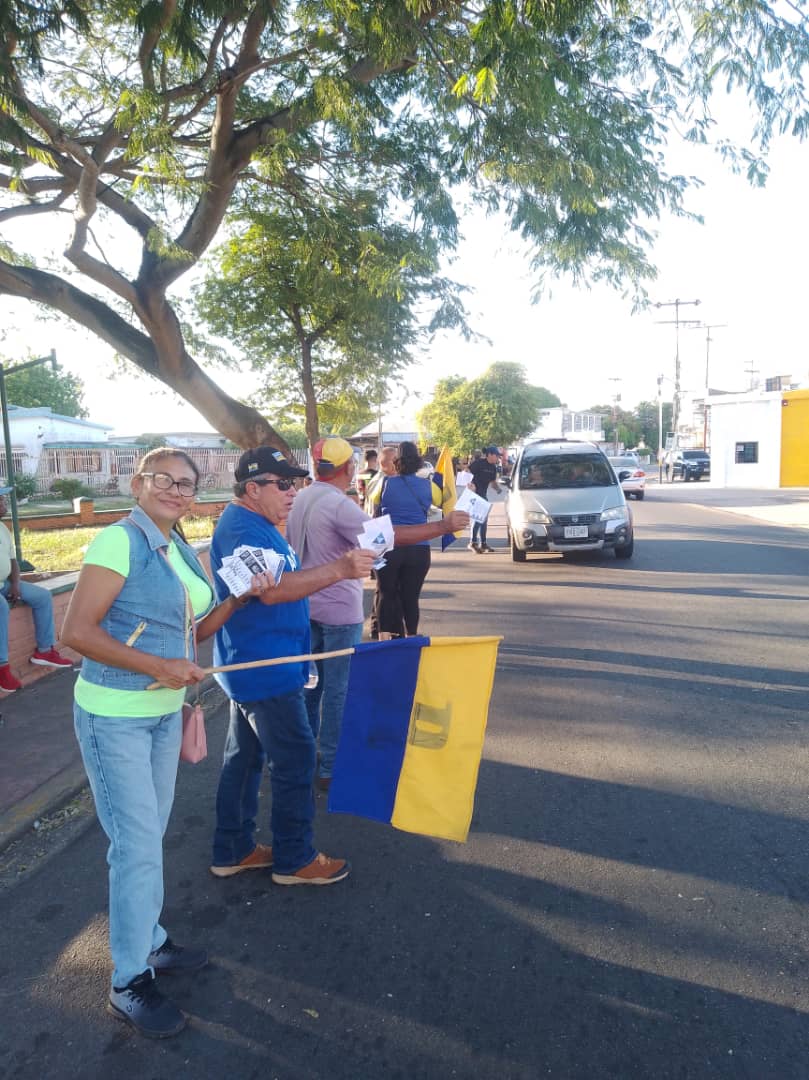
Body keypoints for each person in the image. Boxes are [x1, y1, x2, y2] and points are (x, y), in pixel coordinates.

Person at [60, 448, 275, 1039]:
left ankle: (150, 941)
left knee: (147, 838)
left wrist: (237, 598)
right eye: (165, 480)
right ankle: (127, 980)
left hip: (161, 714)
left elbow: (195, 629)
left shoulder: (179, 546)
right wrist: (160, 663)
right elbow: (74, 632)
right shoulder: (118, 542)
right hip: (115, 716)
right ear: (137, 483)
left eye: (187, 484)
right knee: (135, 847)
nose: (176, 491)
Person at [209, 445, 377, 888]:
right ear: (252, 488)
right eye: (282, 484)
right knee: (297, 759)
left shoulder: (255, 524)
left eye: (296, 482)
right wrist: (340, 568)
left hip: (261, 663)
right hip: (265, 667)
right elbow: (272, 591)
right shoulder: (242, 527)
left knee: (245, 759)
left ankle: (234, 848)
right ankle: (294, 857)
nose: (293, 491)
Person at [286, 436, 469, 791]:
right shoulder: (338, 505)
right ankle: (330, 766)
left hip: (304, 604)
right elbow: (388, 536)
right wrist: (443, 527)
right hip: (338, 609)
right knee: (338, 689)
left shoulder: (303, 495)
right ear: (348, 468)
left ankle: (302, 758)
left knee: (309, 686)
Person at [0, 485, 74, 692]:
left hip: (4, 584)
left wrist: (15, 584)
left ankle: (44, 651)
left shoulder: (3, 529)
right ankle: (2, 667)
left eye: (4, 500)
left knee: (42, 596)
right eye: (0, 501)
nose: (4, 504)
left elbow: (13, 561)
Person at [375, 441, 441, 639]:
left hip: (388, 546)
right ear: (419, 462)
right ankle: (411, 637)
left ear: (397, 461)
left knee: (386, 594)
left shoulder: (385, 483)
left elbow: (373, 503)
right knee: (411, 598)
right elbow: (443, 501)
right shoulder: (429, 486)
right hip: (419, 549)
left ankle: (384, 640)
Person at [468, 446, 501, 553]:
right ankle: (473, 543)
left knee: (484, 520)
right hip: (475, 494)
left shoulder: (493, 468)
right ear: (490, 454)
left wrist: (498, 489)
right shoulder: (479, 463)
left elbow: (492, 482)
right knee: (479, 518)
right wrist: (470, 484)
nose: (498, 458)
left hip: (483, 494)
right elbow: (467, 472)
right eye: (497, 456)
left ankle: (483, 544)